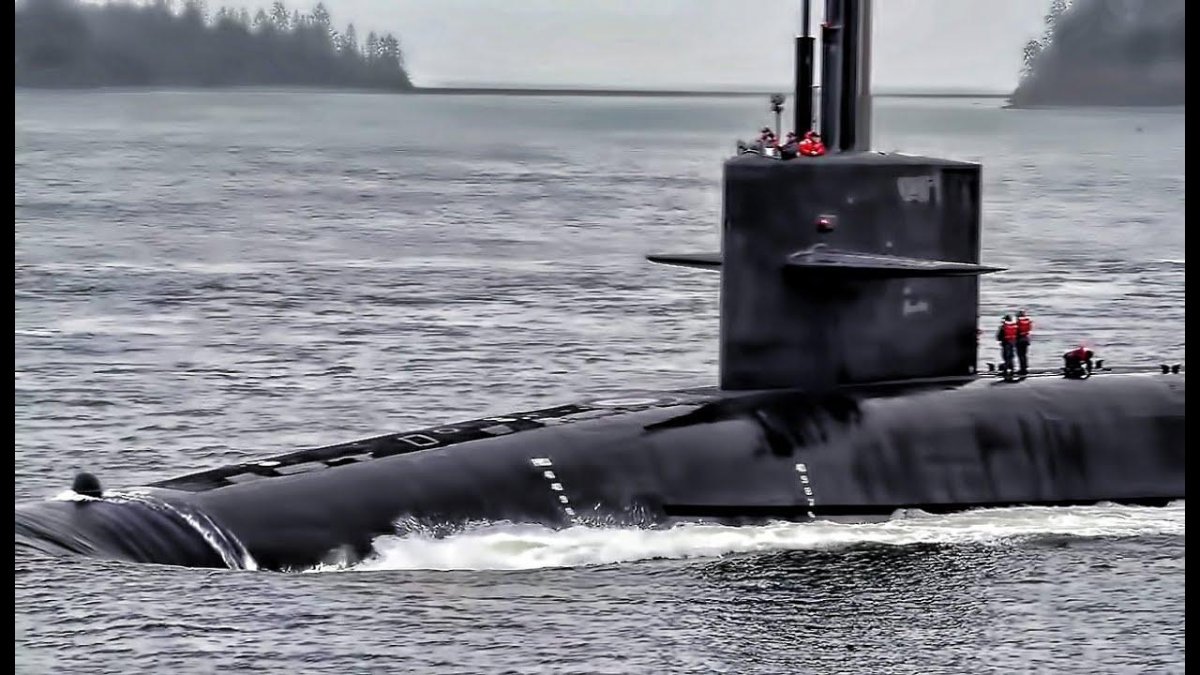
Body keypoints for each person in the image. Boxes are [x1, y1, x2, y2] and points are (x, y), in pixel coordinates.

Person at [1015, 309, 1033, 376]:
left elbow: (1016, 331)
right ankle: (1025, 368)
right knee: (1024, 355)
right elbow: (1029, 329)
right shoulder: (1028, 321)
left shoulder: (1018, 322)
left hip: (1019, 340)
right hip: (1026, 339)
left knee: (1020, 355)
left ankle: (1022, 369)